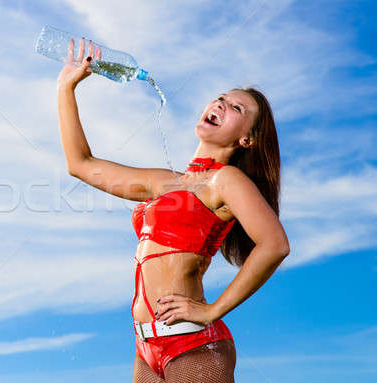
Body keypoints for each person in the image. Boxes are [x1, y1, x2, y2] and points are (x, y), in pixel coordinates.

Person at [56, 38, 290, 383]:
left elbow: (275, 245)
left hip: (193, 345)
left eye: (237, 109)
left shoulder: (227, 181)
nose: (221, 105)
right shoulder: (164, 182)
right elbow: (80, 164)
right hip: (145, 346)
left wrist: (212, 310)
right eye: (221, 99)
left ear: (247, 140)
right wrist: (66, 88)